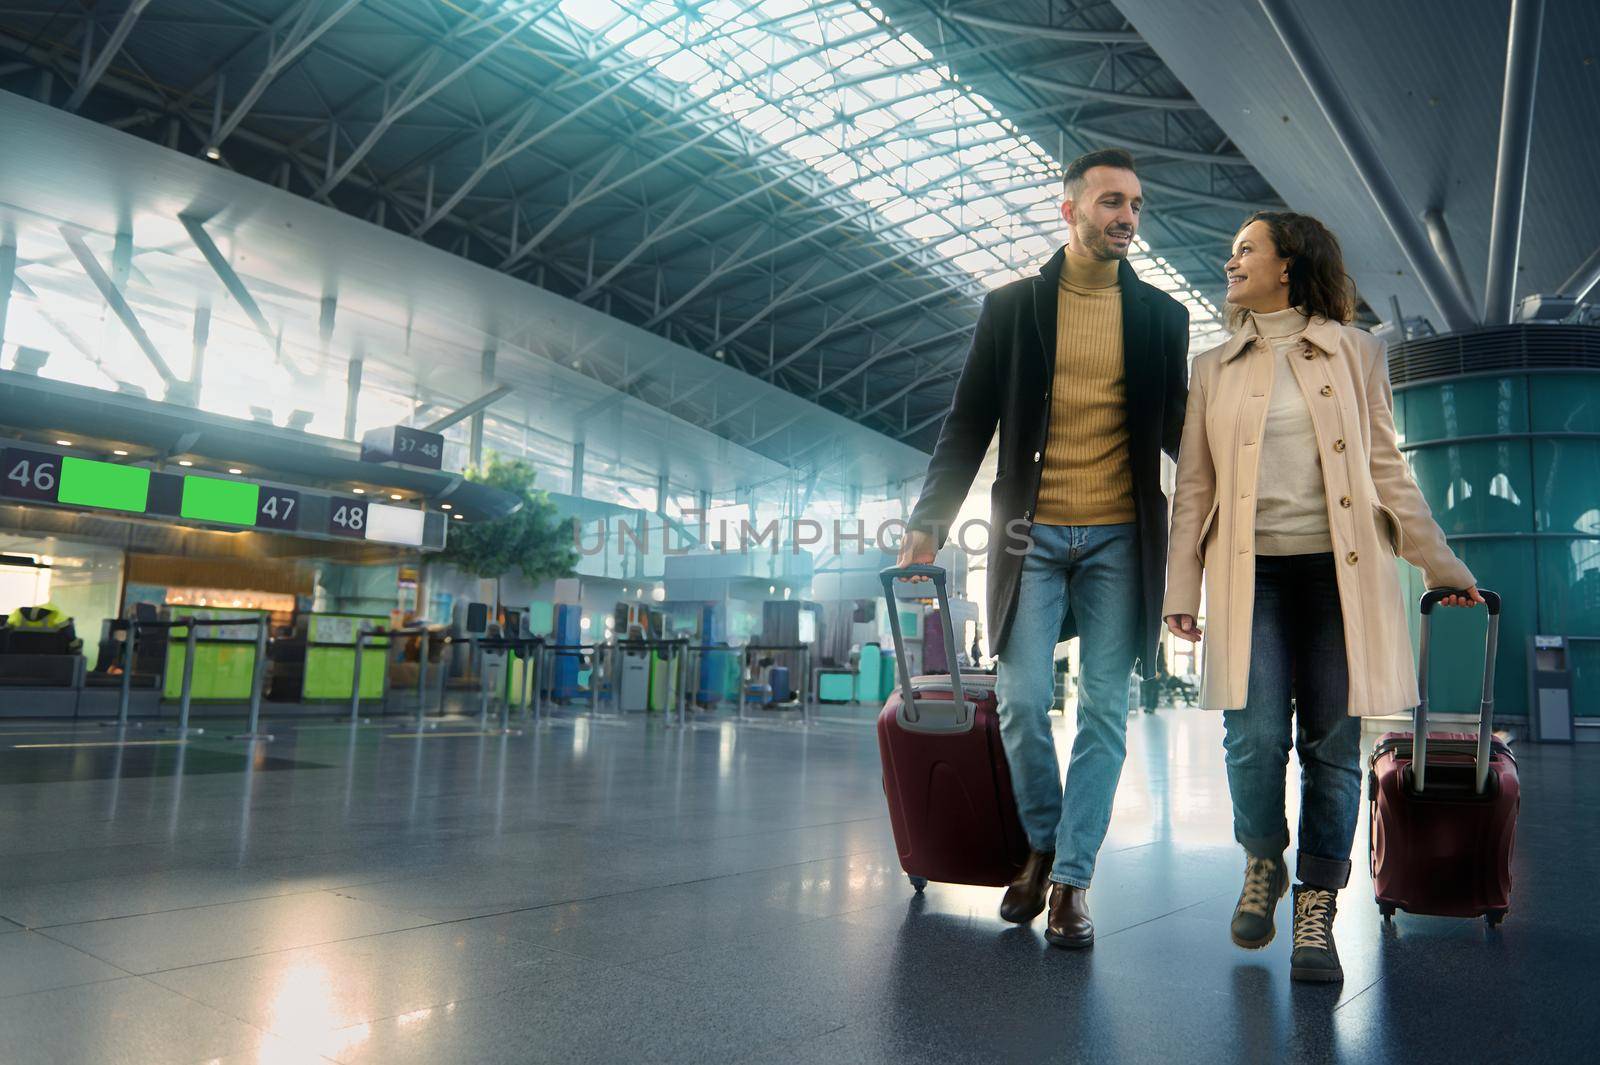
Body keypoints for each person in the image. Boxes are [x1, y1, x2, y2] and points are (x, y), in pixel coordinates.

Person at [1161, 211, 1481, 983]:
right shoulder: (1213, 367)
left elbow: (1386, 468)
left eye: (1246, 249)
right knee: (1254, 735)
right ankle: (1263, 857)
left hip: (1342, 574)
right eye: (1231, 248)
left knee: (1334, 745)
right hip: (1253, 575)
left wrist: (1438, 561)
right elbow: (1195, 485)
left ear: (1288, 265)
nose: (1229, 259)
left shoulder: (1357, 352)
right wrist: (1181, 586)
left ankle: (1317, 904)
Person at [896, 148, 1189, 948]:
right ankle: (1045, 837)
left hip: (1120, 541)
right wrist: (930, 521)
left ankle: (1068, 880)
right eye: (1110, 202)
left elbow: (1183, 440)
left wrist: (1224, 525)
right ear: (1069, 210)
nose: (1127, 217)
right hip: (1030, 534)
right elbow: (968, 423)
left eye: (1135, 204)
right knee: (1022, 701)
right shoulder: (1013, 308)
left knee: (1104, 705)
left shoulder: (1163, 317)